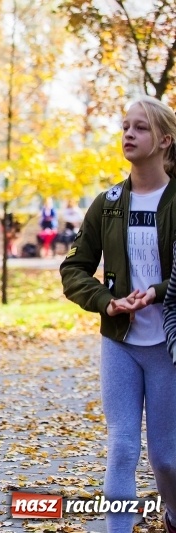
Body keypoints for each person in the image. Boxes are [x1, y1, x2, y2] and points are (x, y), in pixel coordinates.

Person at [61, 95, 176, 533]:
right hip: (121, 343)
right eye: (125, 126)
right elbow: (73, 267)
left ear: (165, 140)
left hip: (168, 345)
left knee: (165, 456)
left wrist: (158, 292)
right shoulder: (107, 203)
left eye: (141, 128)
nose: (128, 134)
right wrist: (107, 302)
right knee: (122, 447)